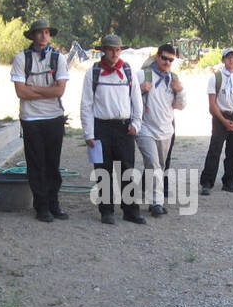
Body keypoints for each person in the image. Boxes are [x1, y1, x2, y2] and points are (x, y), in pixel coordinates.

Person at [80, 33, 145, 225]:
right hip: (101, 127)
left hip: (124, 127)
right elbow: (86, 104)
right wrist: (88, 133)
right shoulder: (93, 73)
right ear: (103, 51)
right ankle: (106, 210)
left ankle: (130, 210)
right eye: (110, 49)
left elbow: (137, 100)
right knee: (103, 170)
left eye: (117, 49)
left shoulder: (127, 71)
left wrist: (136, 123)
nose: (114, 53)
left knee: (128, 169)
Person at [11, 17, 70, 222]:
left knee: (53, 163)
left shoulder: (58, 58)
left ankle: (54, 203)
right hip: (30, 117)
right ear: (33, 35)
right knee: (36, 163)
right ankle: (41, 206)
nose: (43, 36)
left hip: (53, 116)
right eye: (39, 32)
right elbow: (20, 92)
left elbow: (60, 90)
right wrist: (48, 91)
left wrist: (32, 88)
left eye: (46, 32)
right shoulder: (22, 58)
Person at [137, 44, 186, 217]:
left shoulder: (174, 79)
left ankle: (153, 199)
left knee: (161, 165)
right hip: (145, 127)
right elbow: (129, 98)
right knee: (153, 164)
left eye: (171, 60)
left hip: (166, 129)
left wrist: (179, 92)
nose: (167, 62)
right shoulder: (142, 75)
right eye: (164, 58)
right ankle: (156, 202)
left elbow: (180, 106)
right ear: (157, 56)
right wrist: (141, 90)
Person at [199, 48, 233, 195]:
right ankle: (207, 182)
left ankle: (229, 181)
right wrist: (224, 120)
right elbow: (212, 104)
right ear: (223, 60)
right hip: (220, 117)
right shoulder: (216, 78)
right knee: (215, 150)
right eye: (228, 57)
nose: (231, 60)